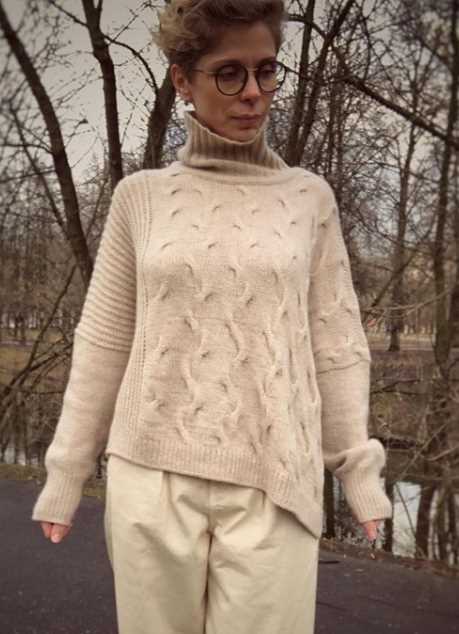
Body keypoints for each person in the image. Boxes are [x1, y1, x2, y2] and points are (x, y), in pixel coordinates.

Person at [32, 1, 393, 633]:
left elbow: (335, 342)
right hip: (151, 478)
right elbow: (105, 341)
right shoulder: (140, 199)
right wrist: (67, 471)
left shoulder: (309, 199)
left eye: (266, 70)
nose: (253, 92)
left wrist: (356, 467)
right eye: (229, 73)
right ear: (183, 79)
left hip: (275, 480)